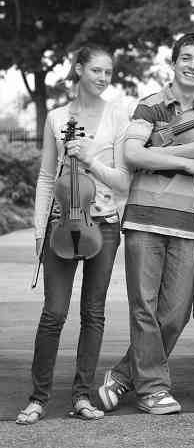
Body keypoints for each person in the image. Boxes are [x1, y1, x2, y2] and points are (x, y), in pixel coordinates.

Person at [97, 33, 194, 415]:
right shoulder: (152, 104)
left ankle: (123, 375)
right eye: (185, 58)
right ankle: (153, 389)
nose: (192, 66)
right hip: (145, 216)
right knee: (145, 306)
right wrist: (185, 163)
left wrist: (167, 152)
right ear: (173, 63)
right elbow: (133, 153)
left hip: (189, 221)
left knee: (176, 310)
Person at [16, 45, 132, 424]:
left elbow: (122, 180)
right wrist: (38, 231)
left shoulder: (118, 116)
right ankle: (38, 397)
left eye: (108, 72)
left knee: (93, 313)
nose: (103, 78)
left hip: (104, 226)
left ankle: (81, 396)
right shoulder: (56, 117)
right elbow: (47, 177)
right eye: (96, 70)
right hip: (61, 223)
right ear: (79, 69)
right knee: (54, 312)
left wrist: (90, 160)